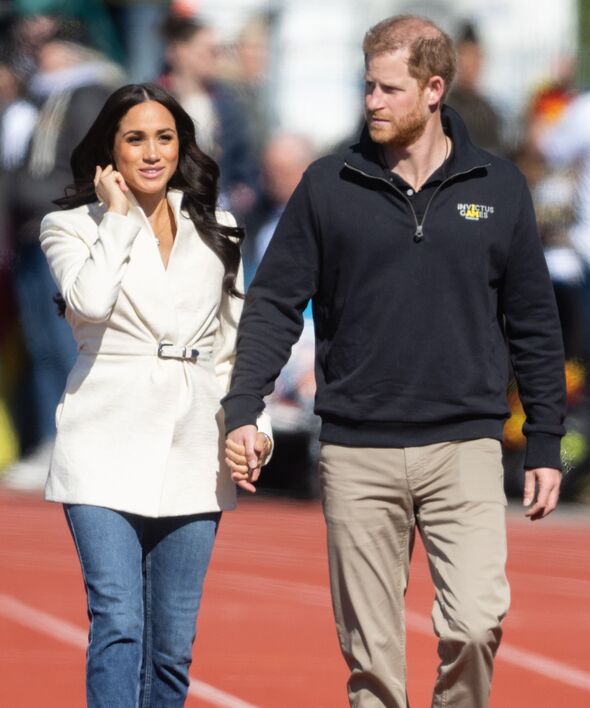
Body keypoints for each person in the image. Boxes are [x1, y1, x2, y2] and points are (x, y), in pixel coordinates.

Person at [222, 15, 565, 708]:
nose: (372, 100)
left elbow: (533, 321)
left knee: (474, 625)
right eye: (367, 86)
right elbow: (273, 304)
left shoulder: (498, 188)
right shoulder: (327, 185)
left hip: (464, 444)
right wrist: (242, 408)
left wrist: (547, 443)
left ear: (434, 89)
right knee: (373, 668)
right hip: (356, 449)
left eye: (388, 88)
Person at [39, 82, 272, 707]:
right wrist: (116, 218)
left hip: (194, 442)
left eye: (164, 137)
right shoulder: (69, 224)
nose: (151, 152)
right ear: (109, 149)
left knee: (172, 646)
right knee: (117, 621)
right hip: (103, 439)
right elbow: (88, 303)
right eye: (134, 138)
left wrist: (254, 425)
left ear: (182, 145)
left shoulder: (219, 227)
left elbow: (232, 346)